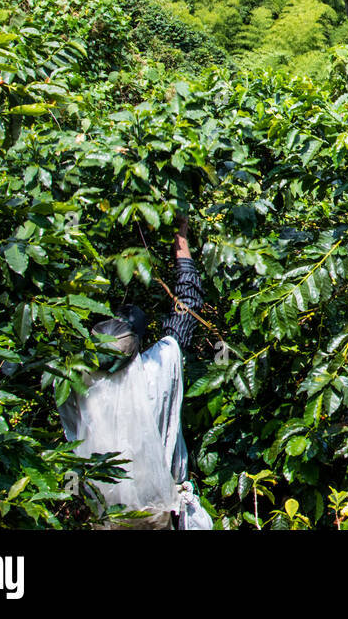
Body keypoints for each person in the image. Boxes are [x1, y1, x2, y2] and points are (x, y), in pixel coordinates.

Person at [58, 216, 213, 530]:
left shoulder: (76, 381)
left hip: (105, 516)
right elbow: (188, 303)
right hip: (156, 512)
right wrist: (180, 239)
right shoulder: (158, 368)